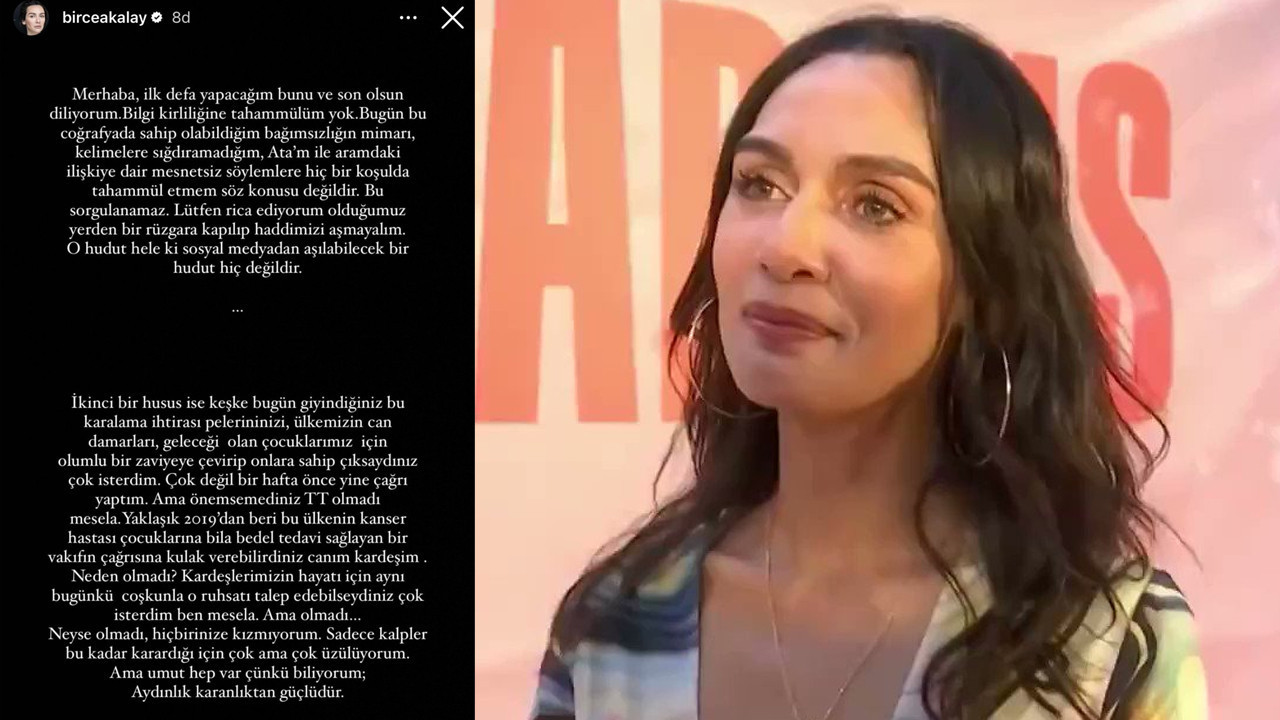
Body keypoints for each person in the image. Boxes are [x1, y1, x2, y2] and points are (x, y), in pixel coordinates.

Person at [529, 13, 1206, 720]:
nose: (785, 246)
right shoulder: (615, 626)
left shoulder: (1105, 640)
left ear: (987, 284)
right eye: (759, 183)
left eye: (876, 206)